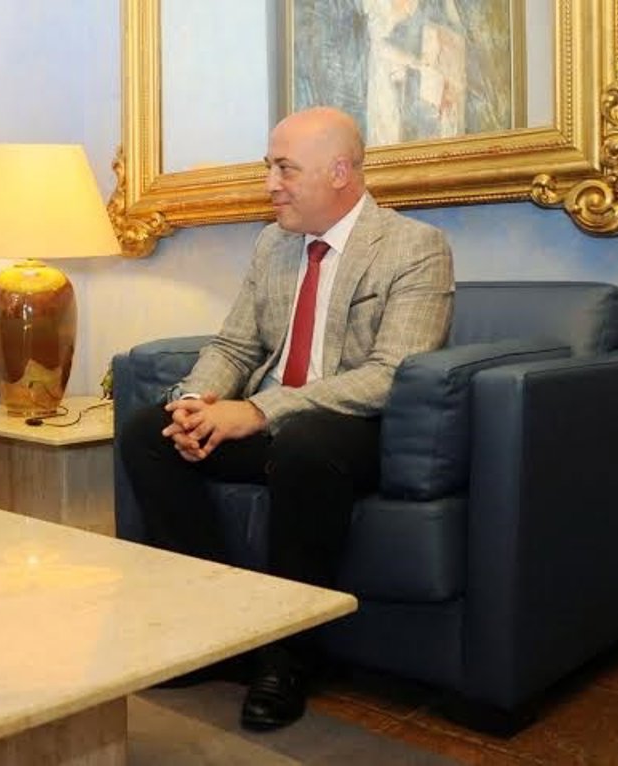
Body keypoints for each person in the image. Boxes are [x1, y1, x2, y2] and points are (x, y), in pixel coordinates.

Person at [119, 106, 454, 731]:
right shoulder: (273, 244)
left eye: (284, 169)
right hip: (274, 424)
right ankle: (220, 633)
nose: (270, 183)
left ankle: (288, 658)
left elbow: (391, 374)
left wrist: (258, 410)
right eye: (268, 168)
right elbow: (235, 346)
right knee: (149, 432)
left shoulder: (414, 247)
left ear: (339, 172)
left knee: (304, 442)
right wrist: (194, 402)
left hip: (351, 429)